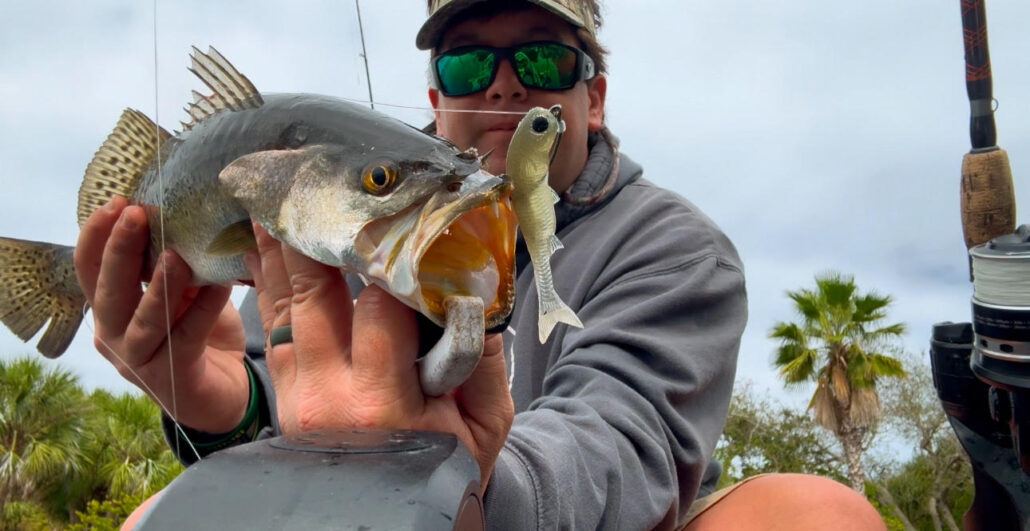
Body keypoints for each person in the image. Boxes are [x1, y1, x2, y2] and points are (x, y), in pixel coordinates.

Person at [76, 0, 887, 528]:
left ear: (592, 97)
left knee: (813, 515)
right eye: (468, 64)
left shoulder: (675, 248)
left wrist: (441, 474)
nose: (502, 88)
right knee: (157, 516)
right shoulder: (348, 223)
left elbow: (620, 450)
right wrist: (222, 405)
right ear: (433, 99)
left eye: (540, 61)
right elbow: (274, 417)